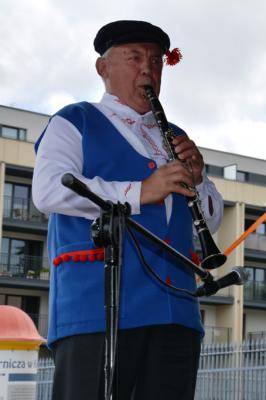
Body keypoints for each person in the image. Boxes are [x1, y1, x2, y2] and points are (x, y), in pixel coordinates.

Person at [32, 20, 223, 400]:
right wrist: (141, 191)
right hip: (98, 309)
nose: (147, 69)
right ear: (103, 68)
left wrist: (199, 180)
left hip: (176, 313)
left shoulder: (175, 135)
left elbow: (211, 218)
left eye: (155, 61)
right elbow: (49, 189)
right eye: (134, 58)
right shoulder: (74, 120)